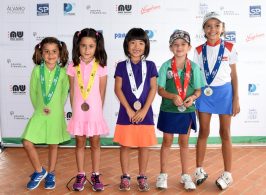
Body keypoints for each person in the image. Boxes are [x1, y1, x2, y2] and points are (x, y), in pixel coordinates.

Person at [193, 12, 240, 190]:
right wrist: (194, 95)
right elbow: (196, 76)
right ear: (204, 29)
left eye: (216, 25)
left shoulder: (230, 47)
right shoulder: (198, 50)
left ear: (222, 28)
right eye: (209, 26)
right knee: (203, 131)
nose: (213, 29)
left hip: (225, 93)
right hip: (205, 94)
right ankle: (199, 169)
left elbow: (234, 75)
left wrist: (236, 98)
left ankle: (228, 173)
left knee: (225, 133)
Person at [156, 30, 205, 191]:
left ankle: (185, 175)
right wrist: (172, 95)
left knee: (184, 142)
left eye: (183, 44)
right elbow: (160, 90)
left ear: (189, 47)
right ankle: (163, 174)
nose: (179, 47)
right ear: (171, 47)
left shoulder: (195, 68)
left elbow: (198, 90)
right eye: (176, 45)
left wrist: (193, 98)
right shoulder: (165, 66)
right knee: (167, 141)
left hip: (187, 110)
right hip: (169, 109)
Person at [22, 37, 70, 190]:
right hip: (40, 112)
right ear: (41, 53)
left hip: (55, 113)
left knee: (53, 144)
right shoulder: (37, 70)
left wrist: (56, 107)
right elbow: (33, 92)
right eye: (47, 52)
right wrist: (40, 108)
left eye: (54, 51)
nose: (50, 55)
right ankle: (39, 171)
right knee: (27, 141)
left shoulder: (62, 72)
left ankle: (51, 174)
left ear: (60, 53)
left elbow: (64, 93)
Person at [113, 28, 158, 192]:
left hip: (145, 113)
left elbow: (153, 88)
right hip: (126, 113)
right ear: (127, 45)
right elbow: (117, 89)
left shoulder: (151, 65)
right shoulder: (121, 66)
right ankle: (125, 176)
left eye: (141, 43)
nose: (136, 46)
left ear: (146, 45)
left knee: (144, 146)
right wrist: (129, 110)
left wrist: (145, 110)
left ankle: (142, 175)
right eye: (132, 43)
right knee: (125, 145)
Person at [67, 28, 109, 192]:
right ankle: (80, 174)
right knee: (79, 142)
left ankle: (96, 174)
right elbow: (71, 90)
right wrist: (75, 111)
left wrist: (98, 111)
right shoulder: (72, 66)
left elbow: (102, 91)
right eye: (83, 46)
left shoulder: (101, 67)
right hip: (79, 112)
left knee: (95, 143)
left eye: (91, 46)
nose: (87, 50)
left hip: (95, 113)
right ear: (78, 46)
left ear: (97, 46)